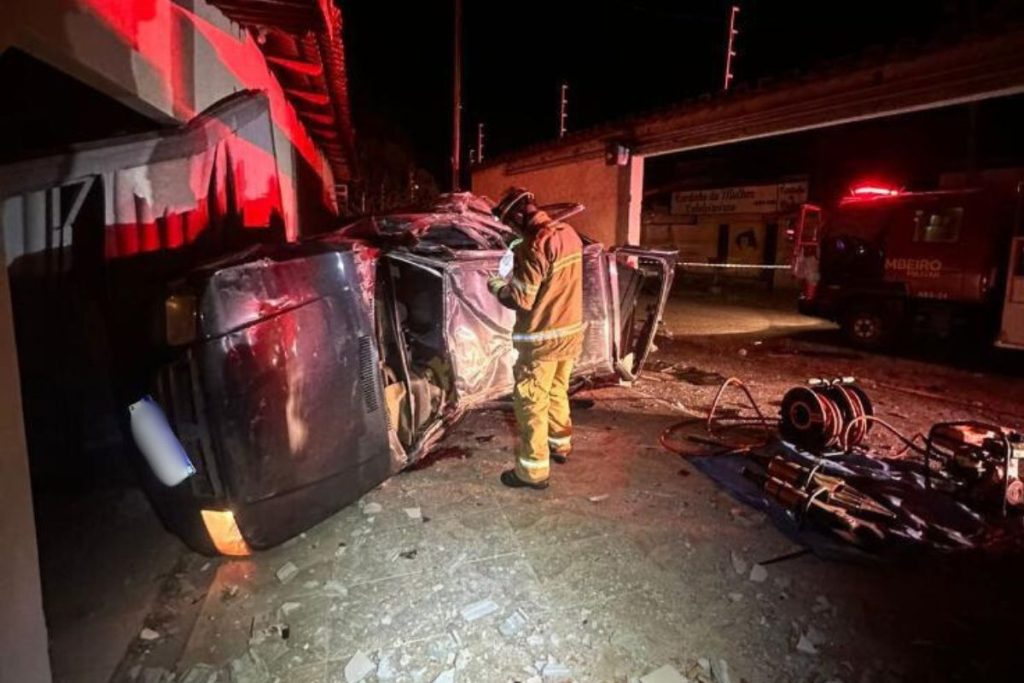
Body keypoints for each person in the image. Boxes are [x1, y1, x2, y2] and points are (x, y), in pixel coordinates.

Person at [488, 187, 584, 489]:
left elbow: (521, 298)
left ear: (518, 215)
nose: (512, 229)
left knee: (531, 402)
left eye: (511, 223)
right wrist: (520, 248)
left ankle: (532, 471)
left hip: (541, 341)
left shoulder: (534, 246)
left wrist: (496, 286)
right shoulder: (569, 233)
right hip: (569, 337)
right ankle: (561, 444)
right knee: (557, 390)